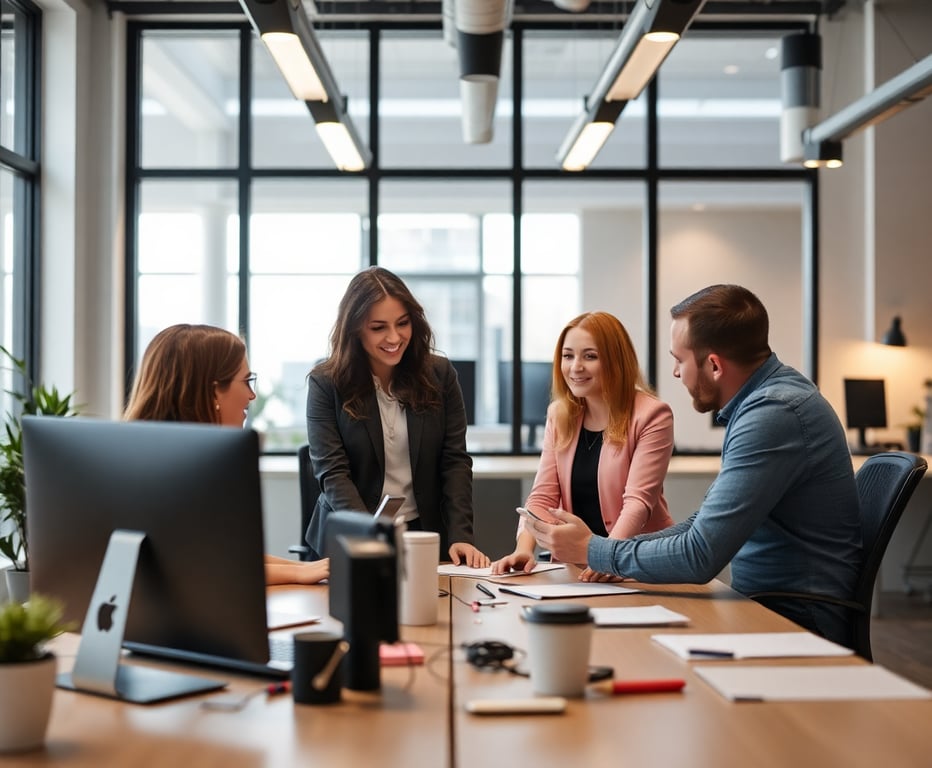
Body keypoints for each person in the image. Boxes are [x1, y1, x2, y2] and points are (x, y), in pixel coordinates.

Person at [526, 285, 862, 647]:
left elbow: (701, 556)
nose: (675, 373)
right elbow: (699, 528)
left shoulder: (773, 414)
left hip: (795, 619)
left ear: (714, 365)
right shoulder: (765, 403)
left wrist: (595, 550)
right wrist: (607, 552)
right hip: (768, 606)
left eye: (680, 360)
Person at [306, 266, 490, 567]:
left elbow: (454, 461)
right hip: (351, 536)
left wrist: (461, 535)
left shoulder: (439, 375)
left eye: (402, 323)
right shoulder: (326, 383)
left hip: (422, 533)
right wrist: (372, 536)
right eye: (378, 327)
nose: (394, 337)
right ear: (354, 329)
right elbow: (333, 474)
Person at [123, 323, 330, 586]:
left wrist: (309, 568)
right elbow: (201, 566)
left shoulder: (181, 459)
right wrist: (300, 572)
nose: (252, 395)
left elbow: (223, 556)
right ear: (213, 392)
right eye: (246, 381)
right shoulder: (168, 472)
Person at [492, 311, 675, 581]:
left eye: (590, 356)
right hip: (578, 569)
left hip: (635, 562)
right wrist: (524, 549)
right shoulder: (560, 414)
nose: (575, 367)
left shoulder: (652, 415)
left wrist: (609, 557)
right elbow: (543, 496)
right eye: (568, 356)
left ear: (615, 360)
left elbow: (638, 502)